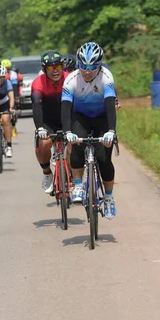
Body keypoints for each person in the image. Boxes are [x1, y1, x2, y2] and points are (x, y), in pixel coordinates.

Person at [61, 41, 117, 219]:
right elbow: (65, 108)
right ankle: (77, 185)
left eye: (92, 67)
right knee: (76, 146)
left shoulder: (106, 78)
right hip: (81, 117)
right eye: (83, 66)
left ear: (99, 65)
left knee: (103, 158)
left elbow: (110, 107)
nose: (87, 71)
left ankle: (108, 198)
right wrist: (67, 132)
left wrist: (111, 131)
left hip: (101, 118)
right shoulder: (71, 79)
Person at [32, 50, 69, 193]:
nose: (55, 71)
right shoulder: (38, 83)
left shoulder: (69, 79)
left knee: (74, 145)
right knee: (44, 143)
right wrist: (40, 128)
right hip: (47, 120)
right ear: (44, 70)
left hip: (67, 117)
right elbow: (36, 107)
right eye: (51, 68)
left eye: (58, 67)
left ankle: (74, 177)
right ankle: (47, 172)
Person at [0, 64, 15, 158]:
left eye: (2, 77)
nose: (0, 80)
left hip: (4, 103)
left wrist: (11, 108)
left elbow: (11, 96)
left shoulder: (7, 82)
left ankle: (9, 146)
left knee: (6, 120)